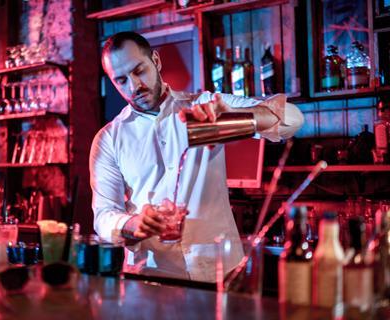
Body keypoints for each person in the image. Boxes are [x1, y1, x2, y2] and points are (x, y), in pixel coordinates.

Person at [90, 31, 304, 282]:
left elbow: (293, 119)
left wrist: (235, 116)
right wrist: (133, 224)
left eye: (139, 71)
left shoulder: (205, 107)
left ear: (156, 61)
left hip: (219, 271)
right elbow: (103, 216)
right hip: (152, 276)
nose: (134, 85)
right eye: (121, 80)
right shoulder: (108, 139)